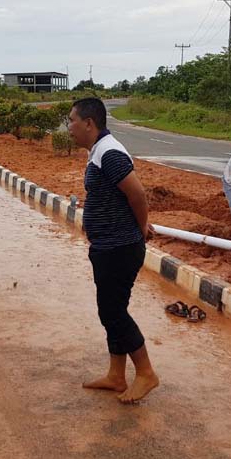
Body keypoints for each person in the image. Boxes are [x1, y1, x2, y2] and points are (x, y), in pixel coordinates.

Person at [67, 97, 159, 404]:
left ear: (89, 123)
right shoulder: (99, 151)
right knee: (110, 310)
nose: (69, 127)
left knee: (113, 312)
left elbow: (138, 194)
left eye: (72, 120)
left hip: (119, 248)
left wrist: (141, 228)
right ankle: (116, 375)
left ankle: (146, 373)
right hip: (108, 246)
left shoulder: (109, 153)